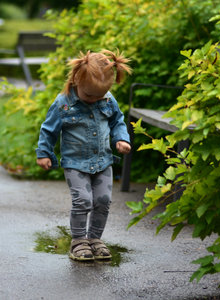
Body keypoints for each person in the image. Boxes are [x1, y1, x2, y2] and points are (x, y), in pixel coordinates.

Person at [36, 49, 132, 261]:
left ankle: (95, 239)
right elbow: (48, 130)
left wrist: (121, 139)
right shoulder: (63, 103)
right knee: (83, 200)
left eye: (100, 95)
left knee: (103, 200)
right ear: (76, 79)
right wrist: (44, 152)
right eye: (90, 95)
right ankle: (79, 241)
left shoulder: (107, 100)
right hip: (75, 163)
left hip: (103, 161)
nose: (95, 100)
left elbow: (118, 121)